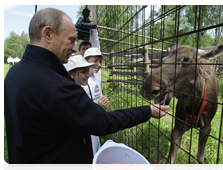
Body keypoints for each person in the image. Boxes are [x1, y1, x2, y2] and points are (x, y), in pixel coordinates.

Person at [4, 8, 169, 170]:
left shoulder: (13, 74)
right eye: (71, 40)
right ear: (48, 34)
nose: (75, 48)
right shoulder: (55, 85)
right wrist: (147, 111)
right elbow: (104, 122)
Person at [64, 55, 108, 156]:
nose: (88, 75)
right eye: (84, 72)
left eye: (87, 71)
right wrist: (98, 108)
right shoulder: (71, 96)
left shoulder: (78, 89)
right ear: (71, 74)